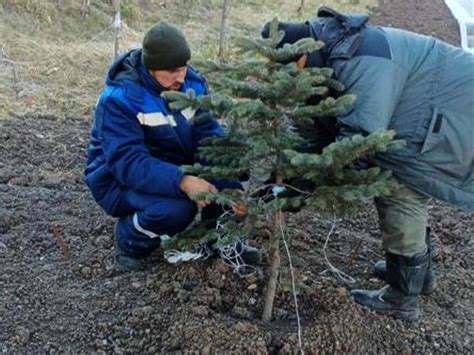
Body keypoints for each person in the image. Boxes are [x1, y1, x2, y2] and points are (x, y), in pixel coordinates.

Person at [262, 6, 473, 321]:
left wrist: (308, 183)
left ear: (301, 57)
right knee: (395, 181)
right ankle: (418, 274)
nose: (287, 80)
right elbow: (314, 133)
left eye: (288, 71)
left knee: (397, 187)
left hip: (451, 115)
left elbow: (359, 144)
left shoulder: (363, 62)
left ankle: (402, 298)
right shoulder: (327, 57)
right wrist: (281, 180)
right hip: (425, 115)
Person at [85, 21, 260, 271]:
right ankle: (130, 239)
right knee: (176, 210)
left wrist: (229, 165)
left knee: (229, 184)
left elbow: (206, 133)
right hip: (117, 179)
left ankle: (219, 240)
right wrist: (183, 181)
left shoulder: (192, 84)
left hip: (171, 164)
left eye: (183, 68)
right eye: (171, 71)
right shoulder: (120, 100)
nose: (181, 77)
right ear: (151, 68)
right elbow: (129, 163)